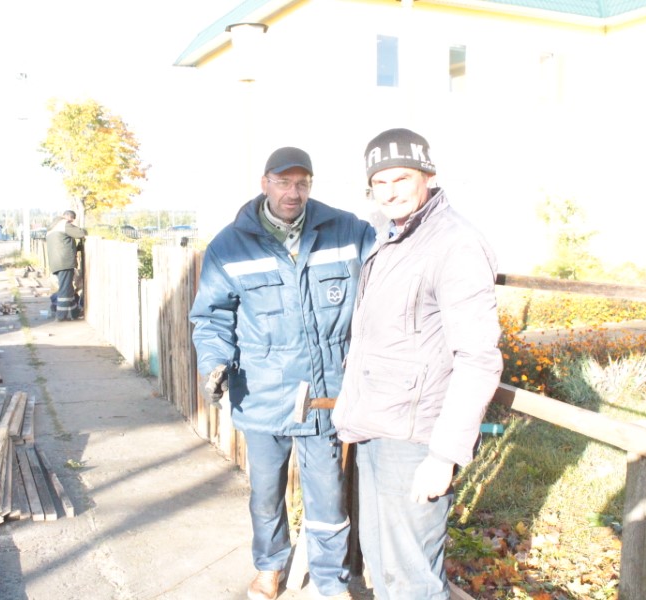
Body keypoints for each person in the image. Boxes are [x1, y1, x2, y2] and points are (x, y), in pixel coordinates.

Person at [189, 147, 375, 600]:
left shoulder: (346, 231)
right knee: (266, 493)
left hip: (324, 393)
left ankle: (330, 582)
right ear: (264, 183)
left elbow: (391, 271)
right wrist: (214, 363)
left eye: (302, 183)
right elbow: (212, 317)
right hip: (262, 391)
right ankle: (269, 565)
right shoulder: (230, 246)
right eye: (283, 182)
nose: (293, 192)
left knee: (327, 494)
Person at [333, 128, 503, 599]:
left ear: (428, 176)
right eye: (379, 182)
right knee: (385, 569)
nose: (390, 192)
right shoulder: (393, 237)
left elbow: (478, 358)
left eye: (401, 178)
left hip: (414, 441)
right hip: (377, 428)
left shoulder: (454, 243)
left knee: (412, 581)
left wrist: (443, 455)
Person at [46, 209, 87, 321]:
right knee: (65, 290)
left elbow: (63, 243)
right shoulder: (64, 224)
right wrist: (85, 230)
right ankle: (61, 316)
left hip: (56, 263)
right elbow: (81, 233)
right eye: (72, 220)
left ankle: (75, 312)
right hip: (64, 262)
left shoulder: (52, 227)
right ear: (68, 217)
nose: (72, 222)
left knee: (68, 289)